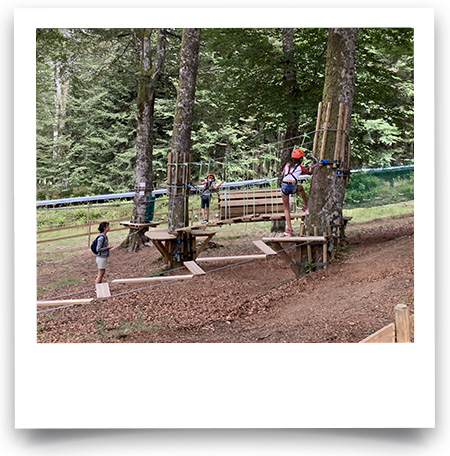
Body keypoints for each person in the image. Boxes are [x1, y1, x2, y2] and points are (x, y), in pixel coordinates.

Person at [280, 148, 312, 236]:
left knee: (286, 208)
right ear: (300, 159)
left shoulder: (287, 165)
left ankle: (289, 229)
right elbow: (310, 173)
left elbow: (283, 173)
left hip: (284, 186)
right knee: (301, 188)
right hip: (292, 186)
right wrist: (310, 166)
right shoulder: (300, 167)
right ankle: (305, 206)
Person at [95, 221, 113, 290]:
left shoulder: (104, 236)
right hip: (101, 258)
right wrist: (107, 248)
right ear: (104, 228)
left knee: (102, 274)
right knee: (100, 274)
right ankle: (97, 290)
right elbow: (98, 249)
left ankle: (99, 288)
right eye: (107, 226)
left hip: (103, 257)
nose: (109, 227)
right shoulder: (101, 237)